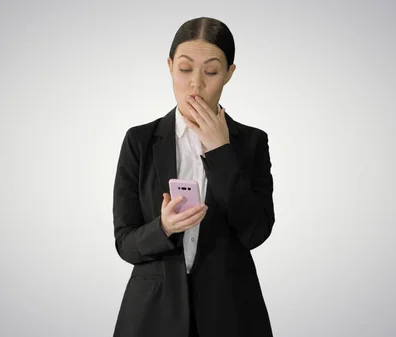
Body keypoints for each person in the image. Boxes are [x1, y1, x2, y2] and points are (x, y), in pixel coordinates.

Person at [112, 17, 275, 337]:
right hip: (151, 314)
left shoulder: (252, 142)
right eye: (185, 69)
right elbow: (125, 244)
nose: (196, 84)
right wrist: (163, 228)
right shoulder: (139, 141)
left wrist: (220, 151)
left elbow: (255, 233)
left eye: (211, 71)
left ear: (229, 73)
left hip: (232, 314)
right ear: (170, 66)